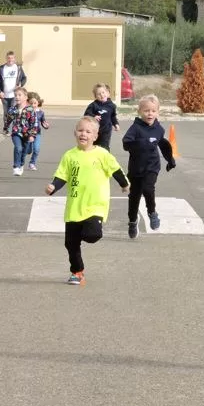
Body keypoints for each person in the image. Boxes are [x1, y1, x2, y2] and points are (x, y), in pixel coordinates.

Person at [45, 117, 129, 286]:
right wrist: (53, 186)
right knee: (70, 244)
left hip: (95, 205)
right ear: (75, 133)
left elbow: (115, 170)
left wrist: (124, 184)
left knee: (92, 235)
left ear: (95, 136)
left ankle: (90, 231)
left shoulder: (102, 154)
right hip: (74, 207)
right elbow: (62, 176)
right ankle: (77, 272)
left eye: (88, 131)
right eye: (80, 130)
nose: (83, 134)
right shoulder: (69, 155)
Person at [121, 95, 175, 239]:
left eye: (153, 111)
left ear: (158, 112)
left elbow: (162, 144)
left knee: (148, 188)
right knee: (134, 198)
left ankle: (152, 212)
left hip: (152, 166)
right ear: (139, 111)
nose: (150, 113)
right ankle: (133, 221)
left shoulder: (159, 129)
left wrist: (170, 160)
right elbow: (126, 143)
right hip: (135, 169)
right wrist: (139, 144)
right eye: (146, 111)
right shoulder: (135, 128)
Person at [3, 87, 37, 176]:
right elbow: (8, 120)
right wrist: (6, 128)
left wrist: (32, 135)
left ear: (25, 97)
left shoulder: (30, 109)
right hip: (16, 132)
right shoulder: (13, 109)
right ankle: (16, 167)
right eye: (15, 95)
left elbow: (34, 123)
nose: (17, 97)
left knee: (25, 151)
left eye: (19, 95)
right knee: (18, 148)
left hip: (27, 134)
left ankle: (21, 164)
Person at [83, 82, 120, 151]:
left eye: (103, 92)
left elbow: (113, 116)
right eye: (99, 94)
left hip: (106, 131)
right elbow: (86, 114)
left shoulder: (111, 106)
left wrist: (116, 124)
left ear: (108, 93)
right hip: (94, 130)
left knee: (104, 146)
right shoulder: (93, 105)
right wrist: (93, 116)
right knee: (93, 146)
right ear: (95, 96)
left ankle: (105, 158)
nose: (102, 95)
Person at [0, 51, 27, 122]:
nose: (10, 60)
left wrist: (20, 85)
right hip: (4, 95)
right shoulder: (1, 68)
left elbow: (24, 78)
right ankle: (6, 129)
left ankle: (14, 129)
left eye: (12, 58)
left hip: (14, 96)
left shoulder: (18, 68)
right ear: (6, 58)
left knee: (14, 112)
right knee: (6, 113)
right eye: (8, 58)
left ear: (14, 59)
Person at [23, 91, 49, 171]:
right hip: (28, 134)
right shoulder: (26, 111)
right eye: (31, 103)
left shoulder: (41, 112)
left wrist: (46, 126)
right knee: (28, 150)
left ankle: (32, 163)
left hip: (37, 134)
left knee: (37, 149)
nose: (33, 105)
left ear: (38, 103)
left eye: (35, 103)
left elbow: (43, 122)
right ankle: (25, 154)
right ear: (28, 103)